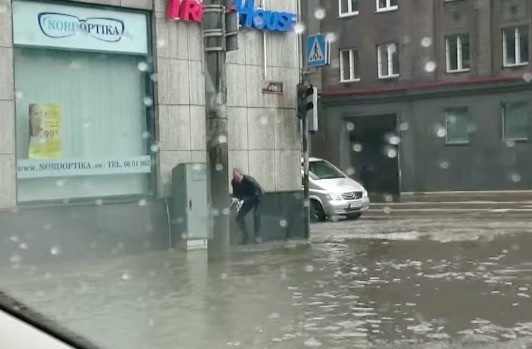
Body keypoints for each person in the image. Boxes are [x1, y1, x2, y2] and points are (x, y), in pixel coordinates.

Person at [231, 168, 263, 244]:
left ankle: (257, 236)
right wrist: (235, 199)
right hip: (247, 199)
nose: (236, 179)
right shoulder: (234, 182)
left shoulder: (249, 180)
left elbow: (259, 191)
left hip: (257, 198)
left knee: (256, 215)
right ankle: (246, 237)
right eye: (235, 177)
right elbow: (236, 194)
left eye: (238, 177)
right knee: (239, 217)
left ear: (241, 174)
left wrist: (246, 199)